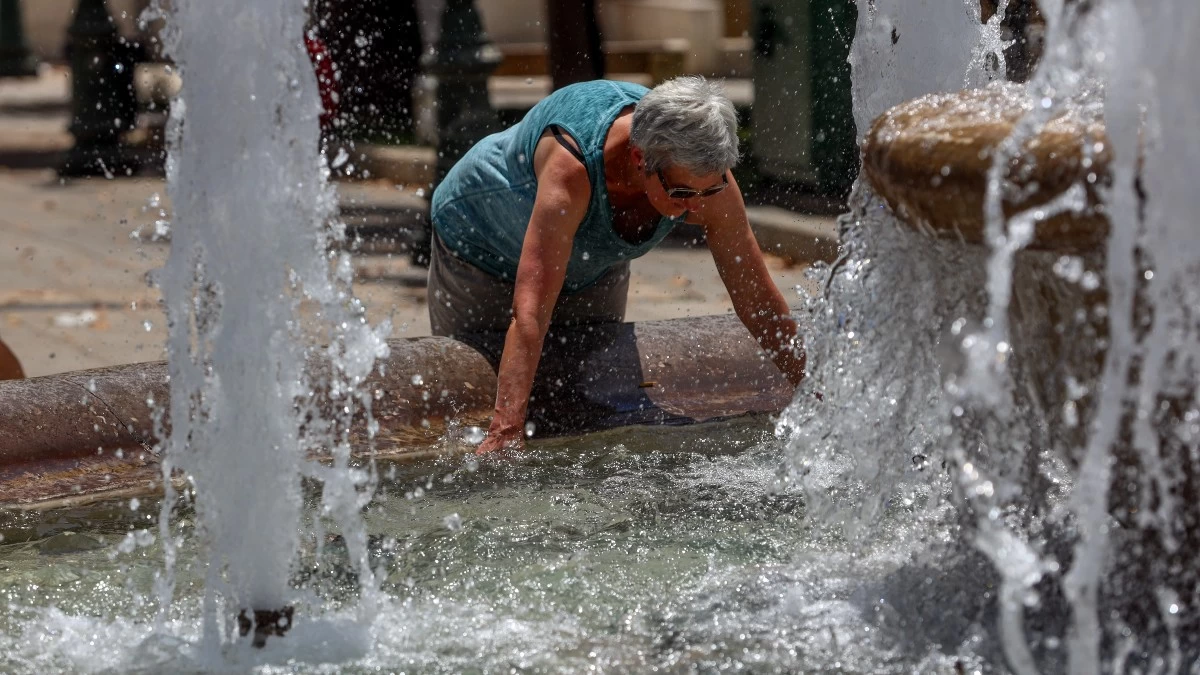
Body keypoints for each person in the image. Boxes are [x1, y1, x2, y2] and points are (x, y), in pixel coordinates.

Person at [428, 76, 806, 453]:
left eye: (709, 189)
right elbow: (530, 313)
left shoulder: (704, 175)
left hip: (592, 261)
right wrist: (505, 432)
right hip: (481, 249)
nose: (697, 205)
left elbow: (757, 300)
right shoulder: (572, 164)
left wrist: (815, 393)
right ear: (640, 159)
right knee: (472, 406)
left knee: (589, 401)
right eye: (681, 192)